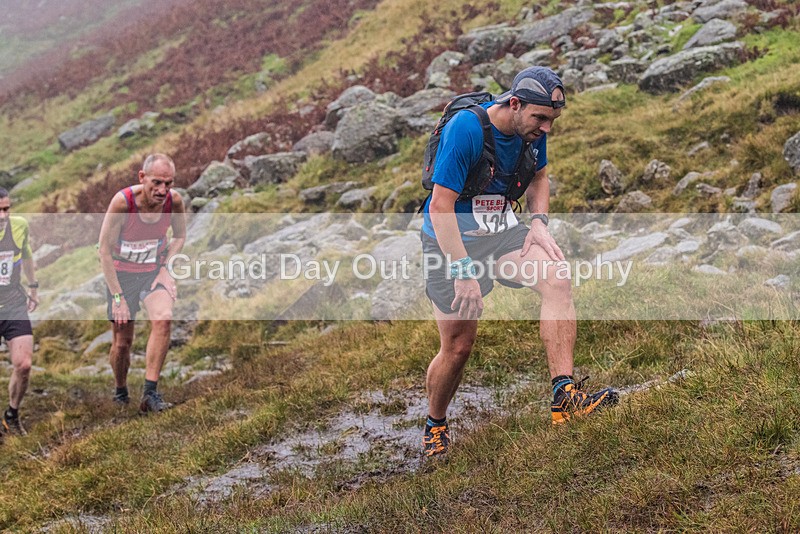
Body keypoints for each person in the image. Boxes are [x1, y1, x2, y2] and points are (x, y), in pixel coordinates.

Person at [420, 67, 618, 457]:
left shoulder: (532, 134)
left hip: (500, 234)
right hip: (451, 239)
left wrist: (539, 224)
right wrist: (463, 272)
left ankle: (565, 398)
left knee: (557, 279)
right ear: (514, 103)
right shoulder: (467, 129)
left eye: (552, 120)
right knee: (458, 346)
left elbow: (539, 177)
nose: (546, 128)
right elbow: (441, 206)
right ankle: (435, 422)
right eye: (540, 118)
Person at [98, 153, 186, 414]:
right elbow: (103, 251)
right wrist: (118, 298)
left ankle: (150, 394)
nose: (162, 190)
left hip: (152, 271)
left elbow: (180, 236)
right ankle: (120, 390)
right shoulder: (123, 203)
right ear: (142, 177)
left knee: (164, 318)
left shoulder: (174, 201)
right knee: (122, 343)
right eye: (157, 183)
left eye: (168, 184)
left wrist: (165, 268)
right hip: (121, 276)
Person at [0, 188, 38, 439]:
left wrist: (33, 287)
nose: (4, 215)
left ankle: (11, 416)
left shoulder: (19, 226)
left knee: (24, 364)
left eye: (6, 209)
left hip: (14, 304)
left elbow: (25, 255)